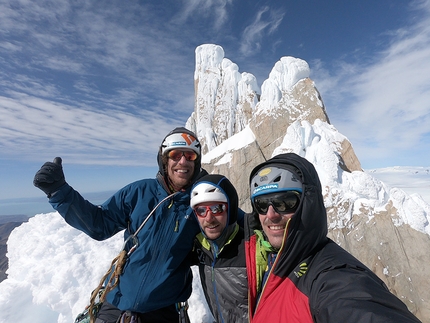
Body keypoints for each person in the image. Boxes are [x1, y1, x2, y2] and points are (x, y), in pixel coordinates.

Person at [33, 127, 207, 323]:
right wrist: (58, 191)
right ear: (165, 160)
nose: (182, 161)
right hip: (116, 302)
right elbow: (99, 224)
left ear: (197, 161)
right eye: (175, 155)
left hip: (163, 310)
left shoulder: (203, 202)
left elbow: (233, 229)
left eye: (190, 155)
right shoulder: (140, 192)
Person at [245, 152, 422, 323]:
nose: (271, 214)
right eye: (261, 204)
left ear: (307, 206)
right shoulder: (271, 258)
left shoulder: (333, 276)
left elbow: (355, 306)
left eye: (285, 202)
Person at [190, 174, 248, 323]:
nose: (209, 218)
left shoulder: (251, 247)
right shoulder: (200, 246)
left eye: (217, 208)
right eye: (201, 210)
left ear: (231, 208)